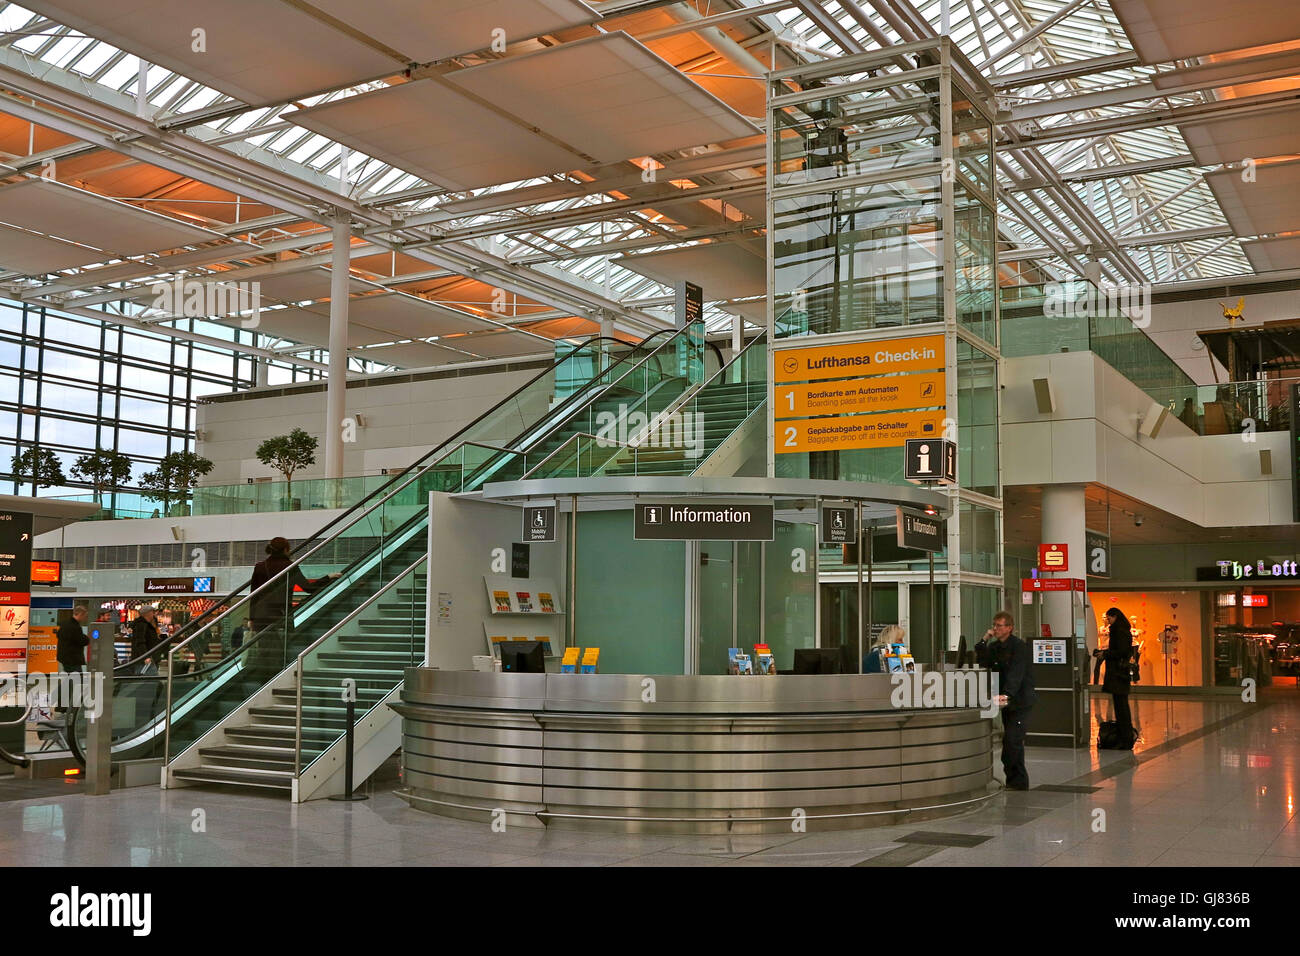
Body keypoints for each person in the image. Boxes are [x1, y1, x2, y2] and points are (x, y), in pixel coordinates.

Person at [247, 537, 340, 679]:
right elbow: (308, 588)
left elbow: (254, 594)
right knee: (281, 652)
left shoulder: (259, 567)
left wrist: (251, 618)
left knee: (265, 651)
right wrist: (328, 577)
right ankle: (278, 679)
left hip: (261, 617)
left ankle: (263, 681)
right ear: (286, 550)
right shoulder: (290, 567)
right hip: (280, 616)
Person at [984, 610, 1036, 791]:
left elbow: (1016, 674)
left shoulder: (1019, 647)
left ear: (1009, 628)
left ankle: (1019, 781)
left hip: (1020, 701)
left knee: (1013, 741)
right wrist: (984, 640)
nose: (995, 629)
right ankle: (1014, 780)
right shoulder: (995, 648)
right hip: (1007, 702)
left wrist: (1007, 694)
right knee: (1011, 741)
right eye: (994, 625)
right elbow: (983, 659)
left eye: (999, 626)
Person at [1102, 607, 1135, 749]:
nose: (1108, 622)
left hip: (1118, 673)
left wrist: (1106, 654)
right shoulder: (1123, 630)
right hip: (1120, 673)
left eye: (1109, 618)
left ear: (1115, 617)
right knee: (1121, 706)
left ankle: (1125, 739)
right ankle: (1125, 737)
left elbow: (1121, 651)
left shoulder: (1119, 631)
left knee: (1121, 707)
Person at [55, 606, 89, 674]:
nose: (85, 618)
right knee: (76, 679)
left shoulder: (65, 623)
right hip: (72, 659)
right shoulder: (74, 626)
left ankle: (63, 685)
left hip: (65, 657)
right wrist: (86, 638)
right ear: (80, 614)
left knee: (72, 679)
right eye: (85, 616)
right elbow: (81, 640)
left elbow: (58, 635)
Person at [131, 605, 162, 672]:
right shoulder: (141, 625)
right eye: (152, 612)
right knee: (145, 677)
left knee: (150, 678)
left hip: (150, 657)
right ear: (147, 613)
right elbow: (140, 641)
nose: (154, 614)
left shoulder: (148, 624)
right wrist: (145, 656)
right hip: (144, 659)